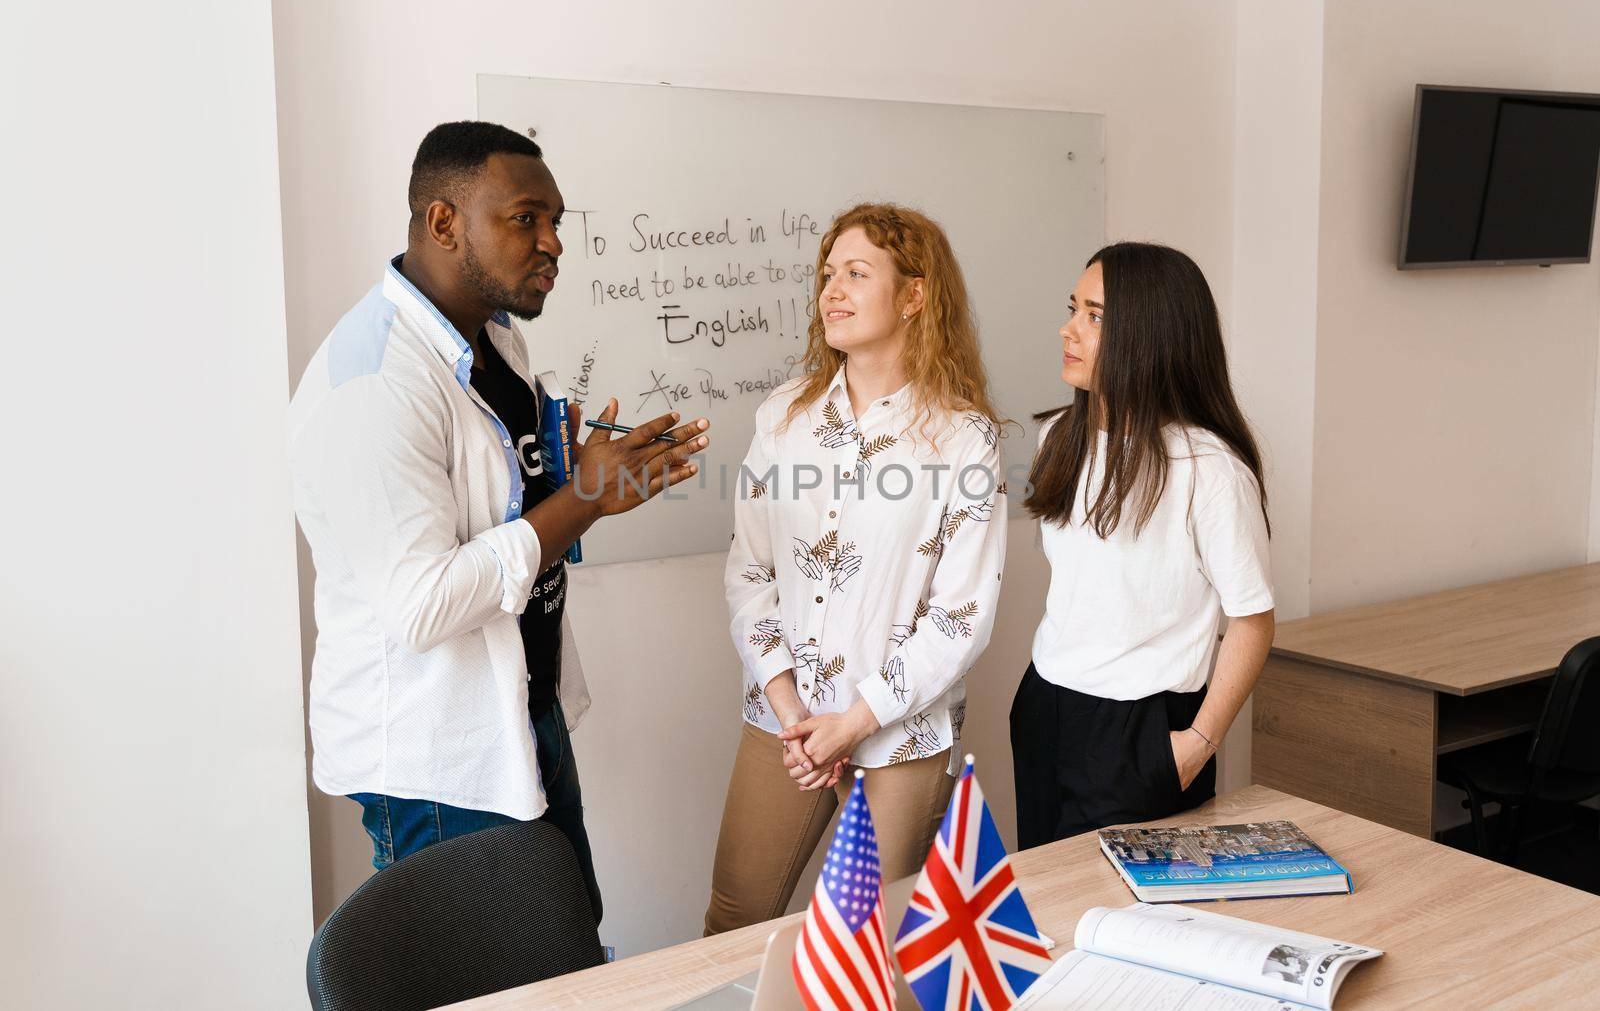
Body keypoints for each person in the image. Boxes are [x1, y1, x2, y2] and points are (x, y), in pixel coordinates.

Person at [287, 121, 710, 917]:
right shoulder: (373, 384)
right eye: (527, 218)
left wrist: (582, 476)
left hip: (521, 708)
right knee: (491, 982)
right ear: (444, 222)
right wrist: (582, 499)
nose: (553, 243)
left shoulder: (497, 339)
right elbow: (424, 604)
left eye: (556, 220)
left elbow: (506, 508)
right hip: (439, 757)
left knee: (572, 945)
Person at [704, 203, 1008, 935]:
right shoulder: (782, 417)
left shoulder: (965, 440)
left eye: (856, 272)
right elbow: (750, 572)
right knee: (731, 923)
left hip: (896, 734)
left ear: (914, 294)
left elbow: (959, 617)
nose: (831, 290)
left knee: (871, 948)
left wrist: (854, 721)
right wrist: (792, 712)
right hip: (785, 723)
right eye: (827, 273)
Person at [1010, 241, 1275, 849]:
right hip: (1047, 702)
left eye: (1095, 316)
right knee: (1050, 902)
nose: (1068, 329)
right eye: (1074, 308)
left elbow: (1252, 623)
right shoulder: (1059, 437)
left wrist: (1198, 744)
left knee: (1134, 921)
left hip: (1142, 724)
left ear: (1150, 335)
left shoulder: (1208, 470)